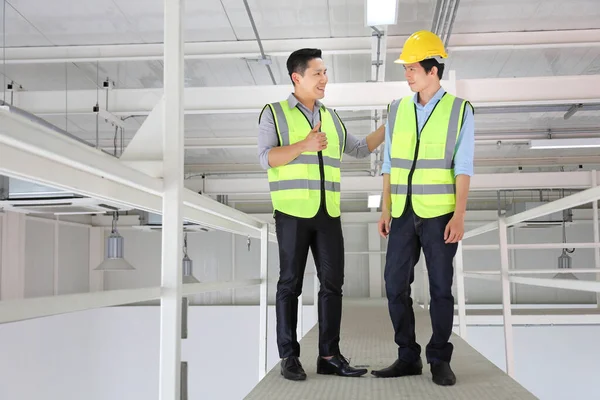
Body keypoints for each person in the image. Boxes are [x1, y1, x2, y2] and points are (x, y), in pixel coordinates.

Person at [257, 48, 385, 381]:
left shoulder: (331, 116)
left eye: (325, 72)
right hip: (292, 213)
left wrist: (390, 125)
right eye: (317, 73)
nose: (324, 79)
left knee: (333, 285)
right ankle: (289, 356)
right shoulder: (274, 113)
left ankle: (329, 355)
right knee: (290, 285)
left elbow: (358, 148)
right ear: (296, 77)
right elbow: (266, 158)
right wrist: (303, 145)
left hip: (327, 212)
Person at [370, 31, 475, 386]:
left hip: (440, 215)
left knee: (440, 288)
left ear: (433, 70)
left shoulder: (459, 110)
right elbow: (388, 163)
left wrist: (459, 215)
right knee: (394, 283)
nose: (407, 74)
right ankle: (407, 355)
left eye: (413, 68)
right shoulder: (397, 109)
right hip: (401, 212)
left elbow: (463, 167)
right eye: (407, 68)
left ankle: (439, 358)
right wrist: (385, 209)